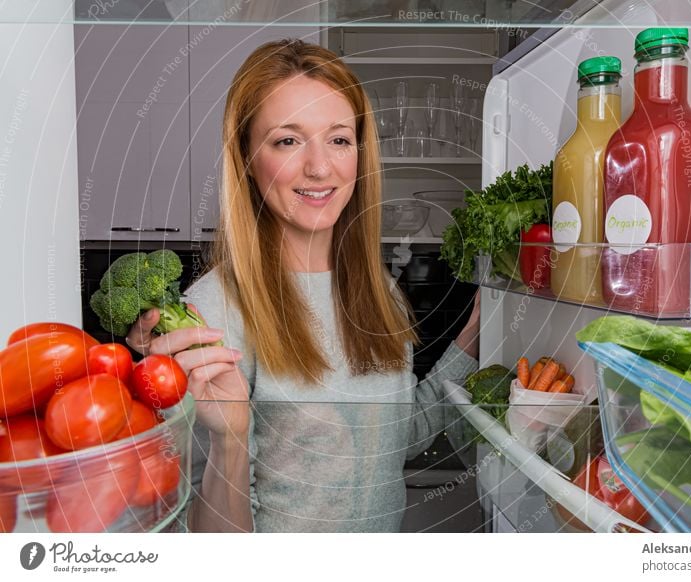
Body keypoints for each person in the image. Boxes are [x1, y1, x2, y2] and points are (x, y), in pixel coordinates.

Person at [125, 38, 480, 533]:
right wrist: (231, 443)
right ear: (247, 157)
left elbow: (397, 439)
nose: (320, 167)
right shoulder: (211, 316)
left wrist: (471, 342)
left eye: (338, 139)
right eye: (287, 140)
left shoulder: (378, 291)